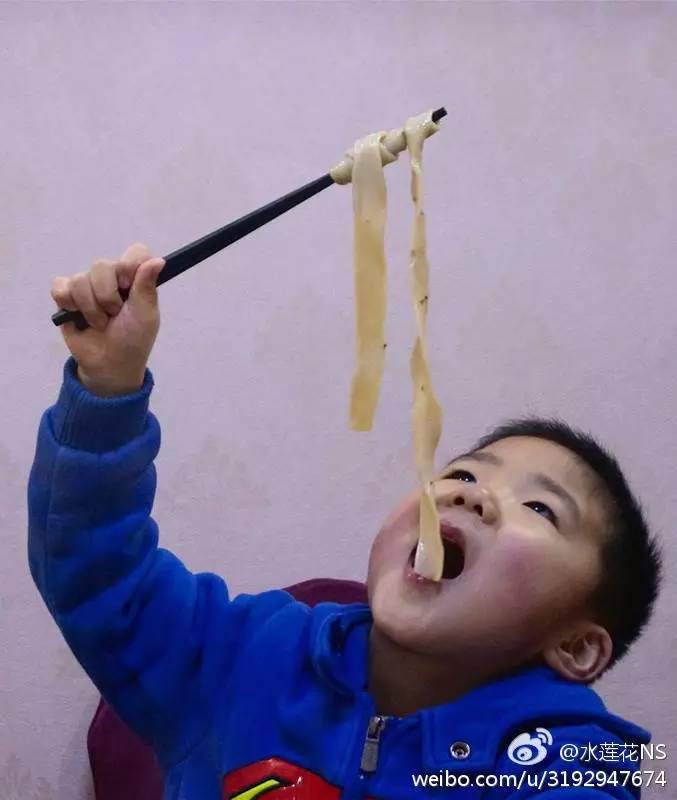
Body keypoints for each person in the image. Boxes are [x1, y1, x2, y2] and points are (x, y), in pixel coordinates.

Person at [28, 242, 662, 799]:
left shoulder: (575, 763)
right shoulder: (247, 657)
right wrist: (107, 389)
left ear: (577, 646)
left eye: (540, 508)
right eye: (463, 475)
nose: (472, 497)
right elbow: (102, 579)